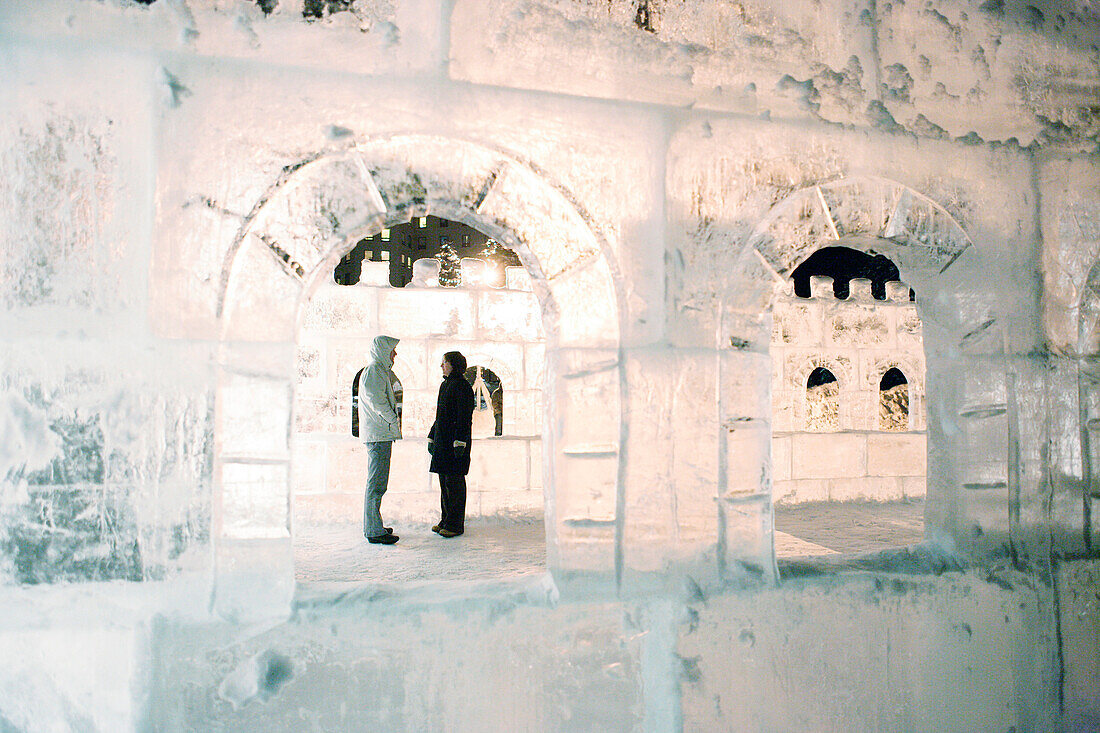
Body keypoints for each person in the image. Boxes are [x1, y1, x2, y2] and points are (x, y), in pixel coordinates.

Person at [358, 335, 402, 545]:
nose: (395, 354)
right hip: (378, 436)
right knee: (376, 484)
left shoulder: (377, 371)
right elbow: (377, 401)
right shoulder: (374, 371)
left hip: (379, 434)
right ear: (383, 350)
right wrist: (393, 420)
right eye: (392, 350)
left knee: (377, 484)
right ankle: (374, 530)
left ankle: (373, 525)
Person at [428, 351, 475, 538]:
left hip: (454, 443)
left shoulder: (462, 386)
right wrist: (432, 436)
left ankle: (455, 525)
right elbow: (439, 416)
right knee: (445, 482)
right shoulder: (445, 385)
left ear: (453, 365)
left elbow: (464, 418)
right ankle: (446, 520)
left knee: (454, 484)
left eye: (444, 362)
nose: (441, 366)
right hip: (443, 442)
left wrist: (460, 442)